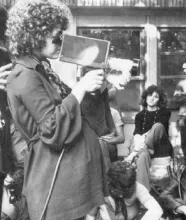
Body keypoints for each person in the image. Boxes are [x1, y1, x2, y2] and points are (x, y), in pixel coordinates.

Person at [6, 1, 109, 220]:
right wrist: (81, 87)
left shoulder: (43, 69)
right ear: (34, 35)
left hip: (74, 178)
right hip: (55, 179)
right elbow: (53, 128)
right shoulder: (24, 75)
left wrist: (99, 85)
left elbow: (77, 110)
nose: (61, 42)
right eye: (56, 37)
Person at [125, 85, 173, 190]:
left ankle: (135, 153)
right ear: (145, 97)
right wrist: (139, 143)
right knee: (142, 155)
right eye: (150, 95)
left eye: (155, 97)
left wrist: (135, 150)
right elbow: (137, 133)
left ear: (159, 100)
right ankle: (144, 194)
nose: (151, 98)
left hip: (160, 146)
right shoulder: (139, 115)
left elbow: (159, 130)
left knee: (157, 126)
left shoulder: (165, 112)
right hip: (145, 148)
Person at [99, 161, 163, 220]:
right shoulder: (102, 192)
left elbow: (156, 209)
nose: (121, 196)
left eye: (125, 192)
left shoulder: (137, 188)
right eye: (117, 191)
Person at [99, 86, 125, 162]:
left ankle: (106, 172)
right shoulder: (88, 113)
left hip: (108, 145)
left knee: (102, 145)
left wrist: (105, 141)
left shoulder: (114, 112)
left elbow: (121, 138)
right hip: (92, 145)